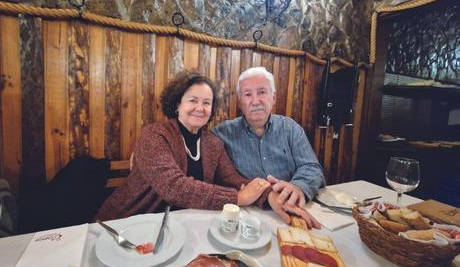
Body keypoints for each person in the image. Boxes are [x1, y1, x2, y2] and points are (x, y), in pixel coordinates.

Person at [96, 70, 271, 221]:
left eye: (206, 103)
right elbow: (174, 187)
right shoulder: (154, 136)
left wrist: (268, 195)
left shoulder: (213, 143)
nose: (200, 108)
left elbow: (233, 179)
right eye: (193, 100)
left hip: (183, 224)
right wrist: (237, 198)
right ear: (178, 104)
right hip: (128, 223)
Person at [213, 67, 324, 228]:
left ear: (273, 97)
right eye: (248, 94)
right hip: (248, 219)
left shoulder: (291, 129)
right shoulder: (221, 134)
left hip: (294, 209)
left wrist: (298, 187)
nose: (256, 101)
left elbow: (312, 167)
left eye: (262, 92)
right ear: (239, 102)